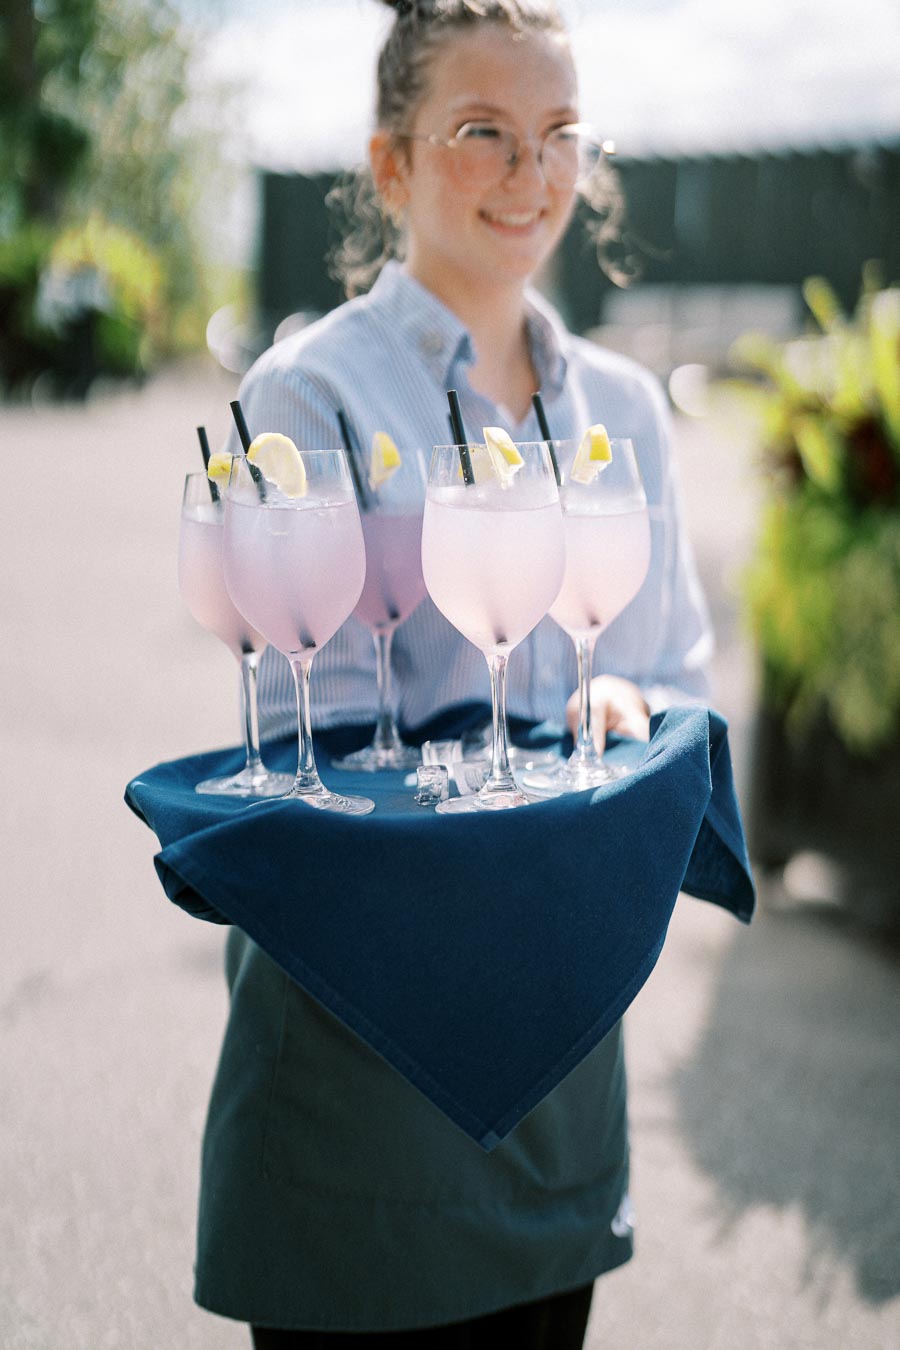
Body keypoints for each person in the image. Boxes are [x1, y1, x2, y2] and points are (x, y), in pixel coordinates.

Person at [200, 2, 713, 1345]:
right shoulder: (307, 399)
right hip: (359, 1083)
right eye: (483, 133)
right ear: (392, 165)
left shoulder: (624, 415)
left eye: (558, 137)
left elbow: (669, 676)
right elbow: (305, 734)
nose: (532, 175)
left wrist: (629, 710)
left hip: (555, 1079)